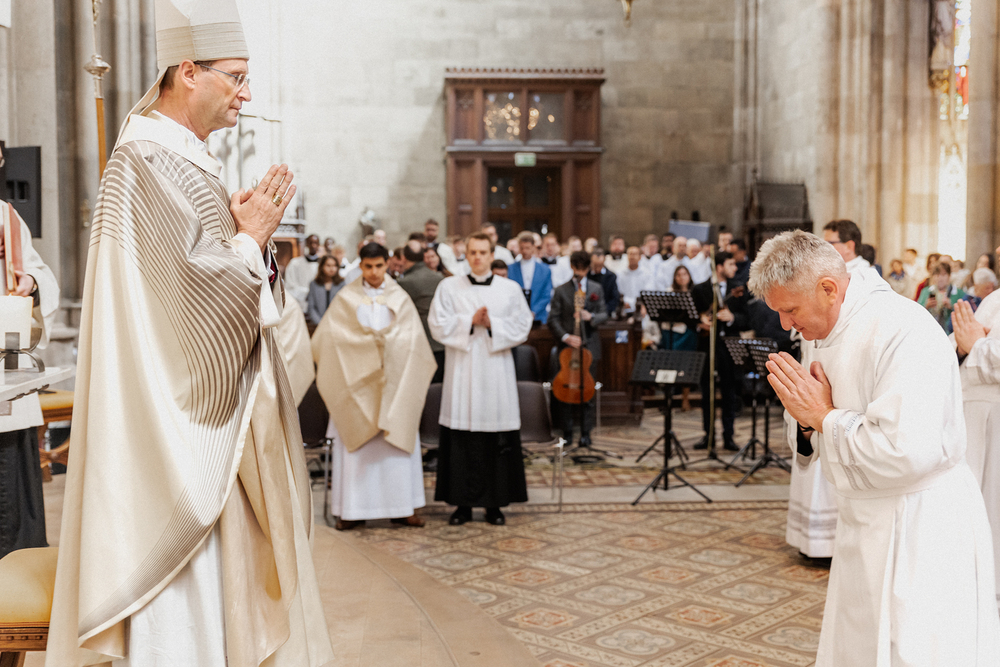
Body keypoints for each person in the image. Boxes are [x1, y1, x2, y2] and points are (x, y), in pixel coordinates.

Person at [46, 3, 335, 665]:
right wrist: (249, 239)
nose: (246, 93)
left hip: (208, 421)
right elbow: (184, 312)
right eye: (235, 76)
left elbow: (205, 278)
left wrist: (248, 240)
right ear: (187, 71)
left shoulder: (187, 161)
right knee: (185, 622)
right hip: (173, 434)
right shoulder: (145, 160)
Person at [755, 230, 1000, 666]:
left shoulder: (903, 330)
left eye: (790, 310)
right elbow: (812, 418)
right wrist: (809, 421)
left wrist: (823, 417)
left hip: (920, 523)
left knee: (915, 650)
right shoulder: (821, 327)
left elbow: (906, 451)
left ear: (828, 289)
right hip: (863, 518)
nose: (786, 325)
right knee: (859, 645)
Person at [312, 242, 436, 531]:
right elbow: (330, 340)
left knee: (397, 447)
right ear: (361, 266)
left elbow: (413, 340)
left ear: (388, 263)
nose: (374, 272)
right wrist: (366, 345)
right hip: (358, 384)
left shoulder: (400, 297)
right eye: (368, 267)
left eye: (379, 266)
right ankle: (352, 510)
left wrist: (389, 343)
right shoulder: (346, 298)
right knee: (357, 447)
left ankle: (403, 509)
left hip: (394, 382)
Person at [428, 232, 533, 526]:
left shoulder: (510, 289)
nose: (477, 257)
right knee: (461, 440)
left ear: (492, 255)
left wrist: (492, 324)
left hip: (496, 373)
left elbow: (523, 325)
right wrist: (469, 322)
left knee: (496, 440)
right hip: (462, 372)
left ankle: (494, 505)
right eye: (472, 252)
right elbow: (436, 323)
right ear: (466, 254)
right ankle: (462, 505)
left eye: (482, 252)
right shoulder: (449, 287)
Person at [0, 185, 59, 561]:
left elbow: (39, 272)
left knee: (11, 488)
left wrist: (31, 283)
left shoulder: (5, 215)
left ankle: (15, 568)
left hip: (5, 363)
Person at [953, 275, 1000, 613]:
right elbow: (963, 341)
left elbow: (980, 346)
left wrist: (976, 346)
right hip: (975, 418)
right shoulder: (994, 299)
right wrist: (960, 345)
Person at [549, 251, 608, 446]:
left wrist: (591, 317)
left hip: (589, 346)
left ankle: (586, 433)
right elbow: (553, 319)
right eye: (577, 268)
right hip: (567, 348)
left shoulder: (596, 288)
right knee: (565, 390)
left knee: (588, 391)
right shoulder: (561, 290)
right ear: (572, 267)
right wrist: (566, 337)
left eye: (584, 269)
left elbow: (604, 314)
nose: (581, 273)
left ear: (589, 268)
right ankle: (567, 432)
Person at [691, 251, 747, 451]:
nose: (735, 268)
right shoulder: (700, 289)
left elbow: (748, 318)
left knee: (730, 393)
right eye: (731, 264)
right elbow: (690, 317)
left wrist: (732, 318)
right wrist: (700, 323)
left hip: (730, 347)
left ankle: (728, 436)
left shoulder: (738, 288)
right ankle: (708, 436)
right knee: (707, 393)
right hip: (707, 347)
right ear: (720, 267)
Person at [397, 240, 446, 382]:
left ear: (404, 258)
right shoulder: (439, 278)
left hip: (420, 343)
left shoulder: (405, 282)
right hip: (441, 342)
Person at [507, 230, 553, 324]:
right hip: (516, 317)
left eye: (527, 248)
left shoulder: (545, 270)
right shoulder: (510, 269)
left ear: (533, 247)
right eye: (522, 248)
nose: (524, 251)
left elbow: (546, 294)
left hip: (538, 317)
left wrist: (534, 311)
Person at [918, 262, 965, 333]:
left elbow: (965, 315)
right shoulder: (926, 291)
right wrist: (926, 306)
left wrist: (951, 306)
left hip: (950, 333)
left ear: (949, 276)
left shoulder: (959, 293)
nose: (940, 278)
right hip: (929, 331)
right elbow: (916, 314)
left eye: (943, 275)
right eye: (937, 275)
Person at [284, 233, 323, 311]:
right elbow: (289, 285)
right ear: (306, 244)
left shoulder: (323, 265)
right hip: (300, 304)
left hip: (318, 304)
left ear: (319, 245)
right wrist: (306, 294)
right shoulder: (295, 263)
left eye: (315, 243)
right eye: (310, 243)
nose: (313, 246)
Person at [306, 254, 344, 326]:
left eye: (334, 266)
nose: (332, 269)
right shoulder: (314, 284)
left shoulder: (342, 284)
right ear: (322, 267)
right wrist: (321, 323)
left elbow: (343, 307)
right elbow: (311, 307)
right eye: (328, 265)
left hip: (337, 324)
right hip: (318, 324)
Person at [618, 245, 653, 315]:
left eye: (634, 254)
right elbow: (619, 291)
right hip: (625, 307)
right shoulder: (620, 274)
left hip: (642, 308)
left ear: (640, 257)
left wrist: (641, 305)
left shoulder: (647, 274)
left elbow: (648, 292)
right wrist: (626, 302)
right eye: (630, 254)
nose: (632, 257)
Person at [587, 246, 620, 316]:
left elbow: (614, 298)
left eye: (599, 265)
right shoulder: (586, 276)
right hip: (588, 312)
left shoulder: (611, 276)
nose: (597, 268)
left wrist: (603, 312)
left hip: (605, 312)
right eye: (595, 265)